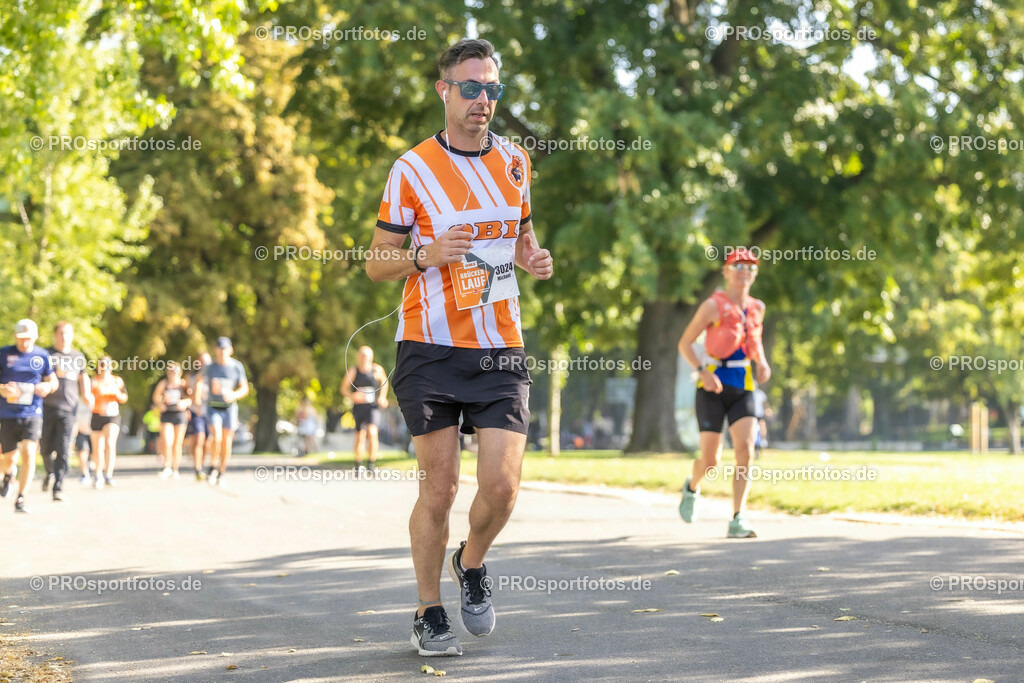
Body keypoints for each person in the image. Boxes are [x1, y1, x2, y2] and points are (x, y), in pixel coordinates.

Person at [365, 38, 553, 657]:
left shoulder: (516, 162)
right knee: (440, 488)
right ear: (444, 91)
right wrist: (425, 254)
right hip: (430, 347)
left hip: (499, 347)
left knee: (502, 486)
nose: (483, 100)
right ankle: (428, 610)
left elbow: (521, 237)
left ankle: (470, 562)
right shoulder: (412, 168)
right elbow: (377, 262)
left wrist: (532, 258)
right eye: (471, 88)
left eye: (492, 88)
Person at [677, 248, 772, 538]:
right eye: (738, 266)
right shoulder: (712, 306)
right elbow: (685, 343)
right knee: (711, 461)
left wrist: (762, 362)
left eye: (750, 267)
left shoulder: (757, 307)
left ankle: (738, 517)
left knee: (746, 450)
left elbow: (754, 339)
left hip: (744, 386)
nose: (745, 271)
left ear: (755, 274)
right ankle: (692, 487)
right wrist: (703, 373)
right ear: (726, 272)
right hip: (712, 387)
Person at [0, 320, 59, 513]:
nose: (24, 342)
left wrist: (47, 386)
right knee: (8, 459)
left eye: (28, 338)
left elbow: (53, 381)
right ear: (15, 336)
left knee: (28, 452)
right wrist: (3, 389)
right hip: (7, 413)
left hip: (32, 412)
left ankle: (21, 498)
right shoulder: (4, 353)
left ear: (35, 337)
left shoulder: (42, 356)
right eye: (21, 338)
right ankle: (9, 474)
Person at [40, 321, 90, 501]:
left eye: (67, 333)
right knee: (45, 448)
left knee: (63, 448)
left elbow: (83, 377)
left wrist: (87, 394)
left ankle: (58, 486)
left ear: (72, 335)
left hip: (69, 409)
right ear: (55, 335)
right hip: (46, 407)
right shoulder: (46, 354)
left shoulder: (78, 356)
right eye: (61, 333)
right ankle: (49, 472)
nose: (64, 337)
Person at [204, 337, 249, 487]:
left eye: (225, 348)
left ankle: (221, 472)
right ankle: (212, 466)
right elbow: (198, 380)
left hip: (229, 408)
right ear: (215, 350)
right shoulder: (210, 367)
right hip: (213, 407)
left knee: (226, 441)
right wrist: (196, 395)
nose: (222, 351)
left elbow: (244, 388)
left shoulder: (236, 367)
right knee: (216, 437)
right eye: (220, 348)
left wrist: (234, 395)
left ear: (230, 350)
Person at [340, 346, 389, 471]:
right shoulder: (353, 371)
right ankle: (358, 464)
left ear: (371, 357)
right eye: (361, 355)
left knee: (372, 433)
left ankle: (371, 464)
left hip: (372, 407)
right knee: (360, 436)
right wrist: (352, 396)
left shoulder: (377, 369)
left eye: (366, 356)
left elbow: (385, 383)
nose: (364, 358)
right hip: (359, 408)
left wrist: (382, 397)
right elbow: (344, 389)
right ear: (358, 357)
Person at [90, 356, 128, 489]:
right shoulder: (94, 381)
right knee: (97, 448)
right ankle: (98, 474)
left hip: (112, 415)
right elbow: (87, 398)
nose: (104, 367)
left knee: (110, 443)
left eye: (106, 364)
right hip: (97, 415)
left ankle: (108, 474)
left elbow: (124, 397)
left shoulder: (117, 381)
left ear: (111, 366)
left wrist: (118, 395)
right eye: (101, 364)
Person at [154, 362, 192, 479]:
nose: (173, 373)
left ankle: (175, 469)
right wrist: (160, 404)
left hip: (180, 415)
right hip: (167, 414)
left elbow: (191, 398)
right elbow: (156, 397)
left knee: (177, 443)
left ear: (180, 372)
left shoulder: (183, 384)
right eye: (170, 371)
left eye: (175, 370)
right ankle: (167, 466)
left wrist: (184, 403)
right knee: (167, 441)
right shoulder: (163, 384)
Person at [185, 352, 210, 479]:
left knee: (207, 442)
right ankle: (197, 468)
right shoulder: (191, 376)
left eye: (206, 361)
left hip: (210, 412)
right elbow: (185, 392)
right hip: (196, 411)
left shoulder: (213, 375)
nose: (204, 364)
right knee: (199, 438)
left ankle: (203, 464)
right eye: (202, 361)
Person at [75, 400, 94, 484]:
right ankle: (85, 474)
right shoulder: (77, 400)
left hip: (95, 430)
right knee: (82, 451)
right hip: (80, 430)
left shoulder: (96, 398)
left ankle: (96, 473)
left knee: (94, 453)